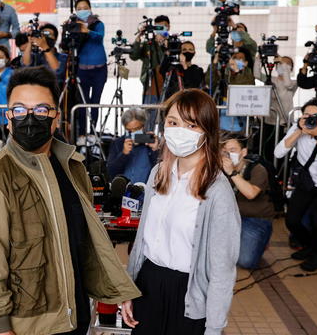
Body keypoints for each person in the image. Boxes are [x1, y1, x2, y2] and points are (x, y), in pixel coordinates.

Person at [0, 66, 141, 335]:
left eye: (41, 110)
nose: (30, 118)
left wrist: (117, 288)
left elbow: (87, 241)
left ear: (56, 118)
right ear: (8, 118)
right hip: (25, 327)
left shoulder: (72, 167)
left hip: (72, 317)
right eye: (20, 110)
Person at [127, 88, 241, 335]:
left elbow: (222, 269)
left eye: (191, 125)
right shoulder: (157, 174)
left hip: (187, 293)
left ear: (207, 132)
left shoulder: (217, 190)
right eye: (173, 122)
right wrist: (128, 290)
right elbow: (142, 242)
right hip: (147, 286)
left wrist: (214, 328)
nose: (179, 131)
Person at [274, 98, 317, 271]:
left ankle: (316, 255)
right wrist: (298, 131)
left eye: (315, 116)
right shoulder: (297, 128)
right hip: (308, 180)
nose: (309, 118)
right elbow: (278, 152)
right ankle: (309, 246)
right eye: (306, 114)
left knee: (316, 214)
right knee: (292, 220)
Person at [221, 133, 275, 269]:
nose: (227, 155)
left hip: (255, 219)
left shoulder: (257, 169)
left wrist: (232, 173)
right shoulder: (219, 169)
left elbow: (251, 193)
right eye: (224, 152)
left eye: (232, 151)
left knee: (246, 261)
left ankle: (262, 239)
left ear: (243, 152)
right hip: (230, 217)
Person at [71, 0, 107, 136]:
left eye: (85, 8)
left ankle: (93, 134)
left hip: (99, 70)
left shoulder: (98, 24)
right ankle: (81, 134)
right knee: (82, 103)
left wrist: (87, 31)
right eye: (79, 9)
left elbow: (99, 37)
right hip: (82, 70)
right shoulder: (74, 24)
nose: (82, 11)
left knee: (95, 102)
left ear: (90, 8)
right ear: (75, 11)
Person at [254, 55, 297, 161]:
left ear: (290, 68)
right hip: (269, 122)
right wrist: (258, 59)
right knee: (267, 150)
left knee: (282, 153)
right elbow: (257, 74)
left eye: (286, 64)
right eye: (280, 64)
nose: (282, 66)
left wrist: (282, 61)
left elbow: (287, 84)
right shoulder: (271, 80)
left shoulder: (293, 83)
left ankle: (282, 175)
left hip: (284, 122)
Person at [206, 47, 255, 132]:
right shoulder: (225, 74)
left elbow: (241, 89)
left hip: (240, 120)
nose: (236, 61)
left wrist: (237, 71)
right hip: (222, 119)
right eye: (235, 58)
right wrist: (214, 63)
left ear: (246, 63)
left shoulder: (248, 74)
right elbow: (209, 81)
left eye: (240, 59)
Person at [107, 107, 159, 184]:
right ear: (125, 128)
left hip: (146, 191)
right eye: (130, 130)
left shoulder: (151, 141)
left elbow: (162, 172)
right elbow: (111, 172)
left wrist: (155, 150)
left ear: (143, 125)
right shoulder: (118, 143)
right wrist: (124, 154)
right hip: (123, 191)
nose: (134, 132)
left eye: (137, 128)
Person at [130, 15, 170, 104]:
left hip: (170, 84)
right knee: (149, 113)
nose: (160, 30)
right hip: (150, 85)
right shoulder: (149, 43)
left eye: (162, 27)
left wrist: (164, 45)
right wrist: (139, 37)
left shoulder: (173, 42)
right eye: (157, 27)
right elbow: (134, 56)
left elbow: (163, 62)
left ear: (168, 27)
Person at [23, 23, 68, 87]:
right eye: (43, 35)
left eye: (49, 35)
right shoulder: (36, 56)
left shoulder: (63, 57)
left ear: (55, 38)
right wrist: (30, 42)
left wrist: (45, 47)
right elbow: (25, 63)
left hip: (56, 92)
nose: (45, 38)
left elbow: (57, 71)